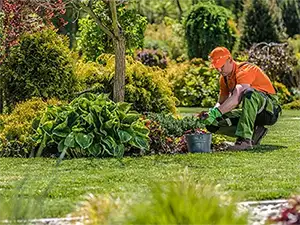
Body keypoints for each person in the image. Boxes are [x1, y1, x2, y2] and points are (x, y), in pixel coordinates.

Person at [199, 47, 281, 151]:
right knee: (213, 124)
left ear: (229, 60)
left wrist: (216, 112)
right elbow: (221, 102)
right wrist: (211, 114)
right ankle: (255, 132)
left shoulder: (245, 70)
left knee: (249, 93)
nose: (219, 70)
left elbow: (237, 97)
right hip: (251, 111)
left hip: (269, 110)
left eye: (222, 66)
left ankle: (245, 141)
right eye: (217, 67)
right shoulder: (224, 78)